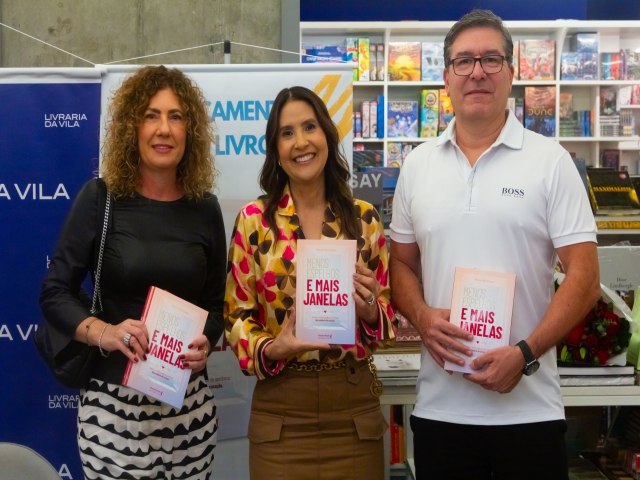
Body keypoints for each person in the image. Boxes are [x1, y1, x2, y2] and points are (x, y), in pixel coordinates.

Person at [389, 9, 600, 480]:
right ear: (446, 78)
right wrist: (423, 318)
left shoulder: (551, 162)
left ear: (512, 72)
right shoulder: (418, 166)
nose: (478, 71)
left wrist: (524, 354)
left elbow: (585, 279)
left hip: (529, 413)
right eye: (464, 61)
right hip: (442, 411)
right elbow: (399, 266)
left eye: (491, 59)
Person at [39, 65, 226, 480]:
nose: (164, 129)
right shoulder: (101, 198)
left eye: (175, 116)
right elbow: (54, 293)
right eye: (151, 115)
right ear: (132, 127)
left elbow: (216, 304)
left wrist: (207, 340)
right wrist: (104, 332)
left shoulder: (205, 207)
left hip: (188, 412)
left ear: (189, 130)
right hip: (113, 414)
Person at [224, 86, 396, 480]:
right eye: (287, 133)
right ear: (275, 148)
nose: (300, 142)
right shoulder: (254, 221)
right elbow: (235, 316)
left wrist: (370, 309)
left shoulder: (364, 219)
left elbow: (386, 318)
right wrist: (272, 346)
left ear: (327, 136)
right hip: (282, 410)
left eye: (309, 127)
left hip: (352, 408)